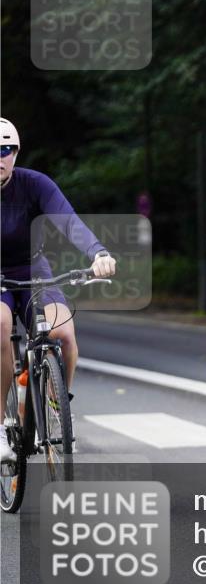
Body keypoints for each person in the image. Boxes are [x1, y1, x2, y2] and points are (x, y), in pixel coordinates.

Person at [0, 118, 117, 461]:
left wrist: (98, 253)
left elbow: (67, 220)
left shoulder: (34, 184)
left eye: (7, 150)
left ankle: (58, 405)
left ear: (16, 153)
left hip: (33, 270)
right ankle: (2, 427)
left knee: (63, 333)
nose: (0, 158)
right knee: (1, 326)